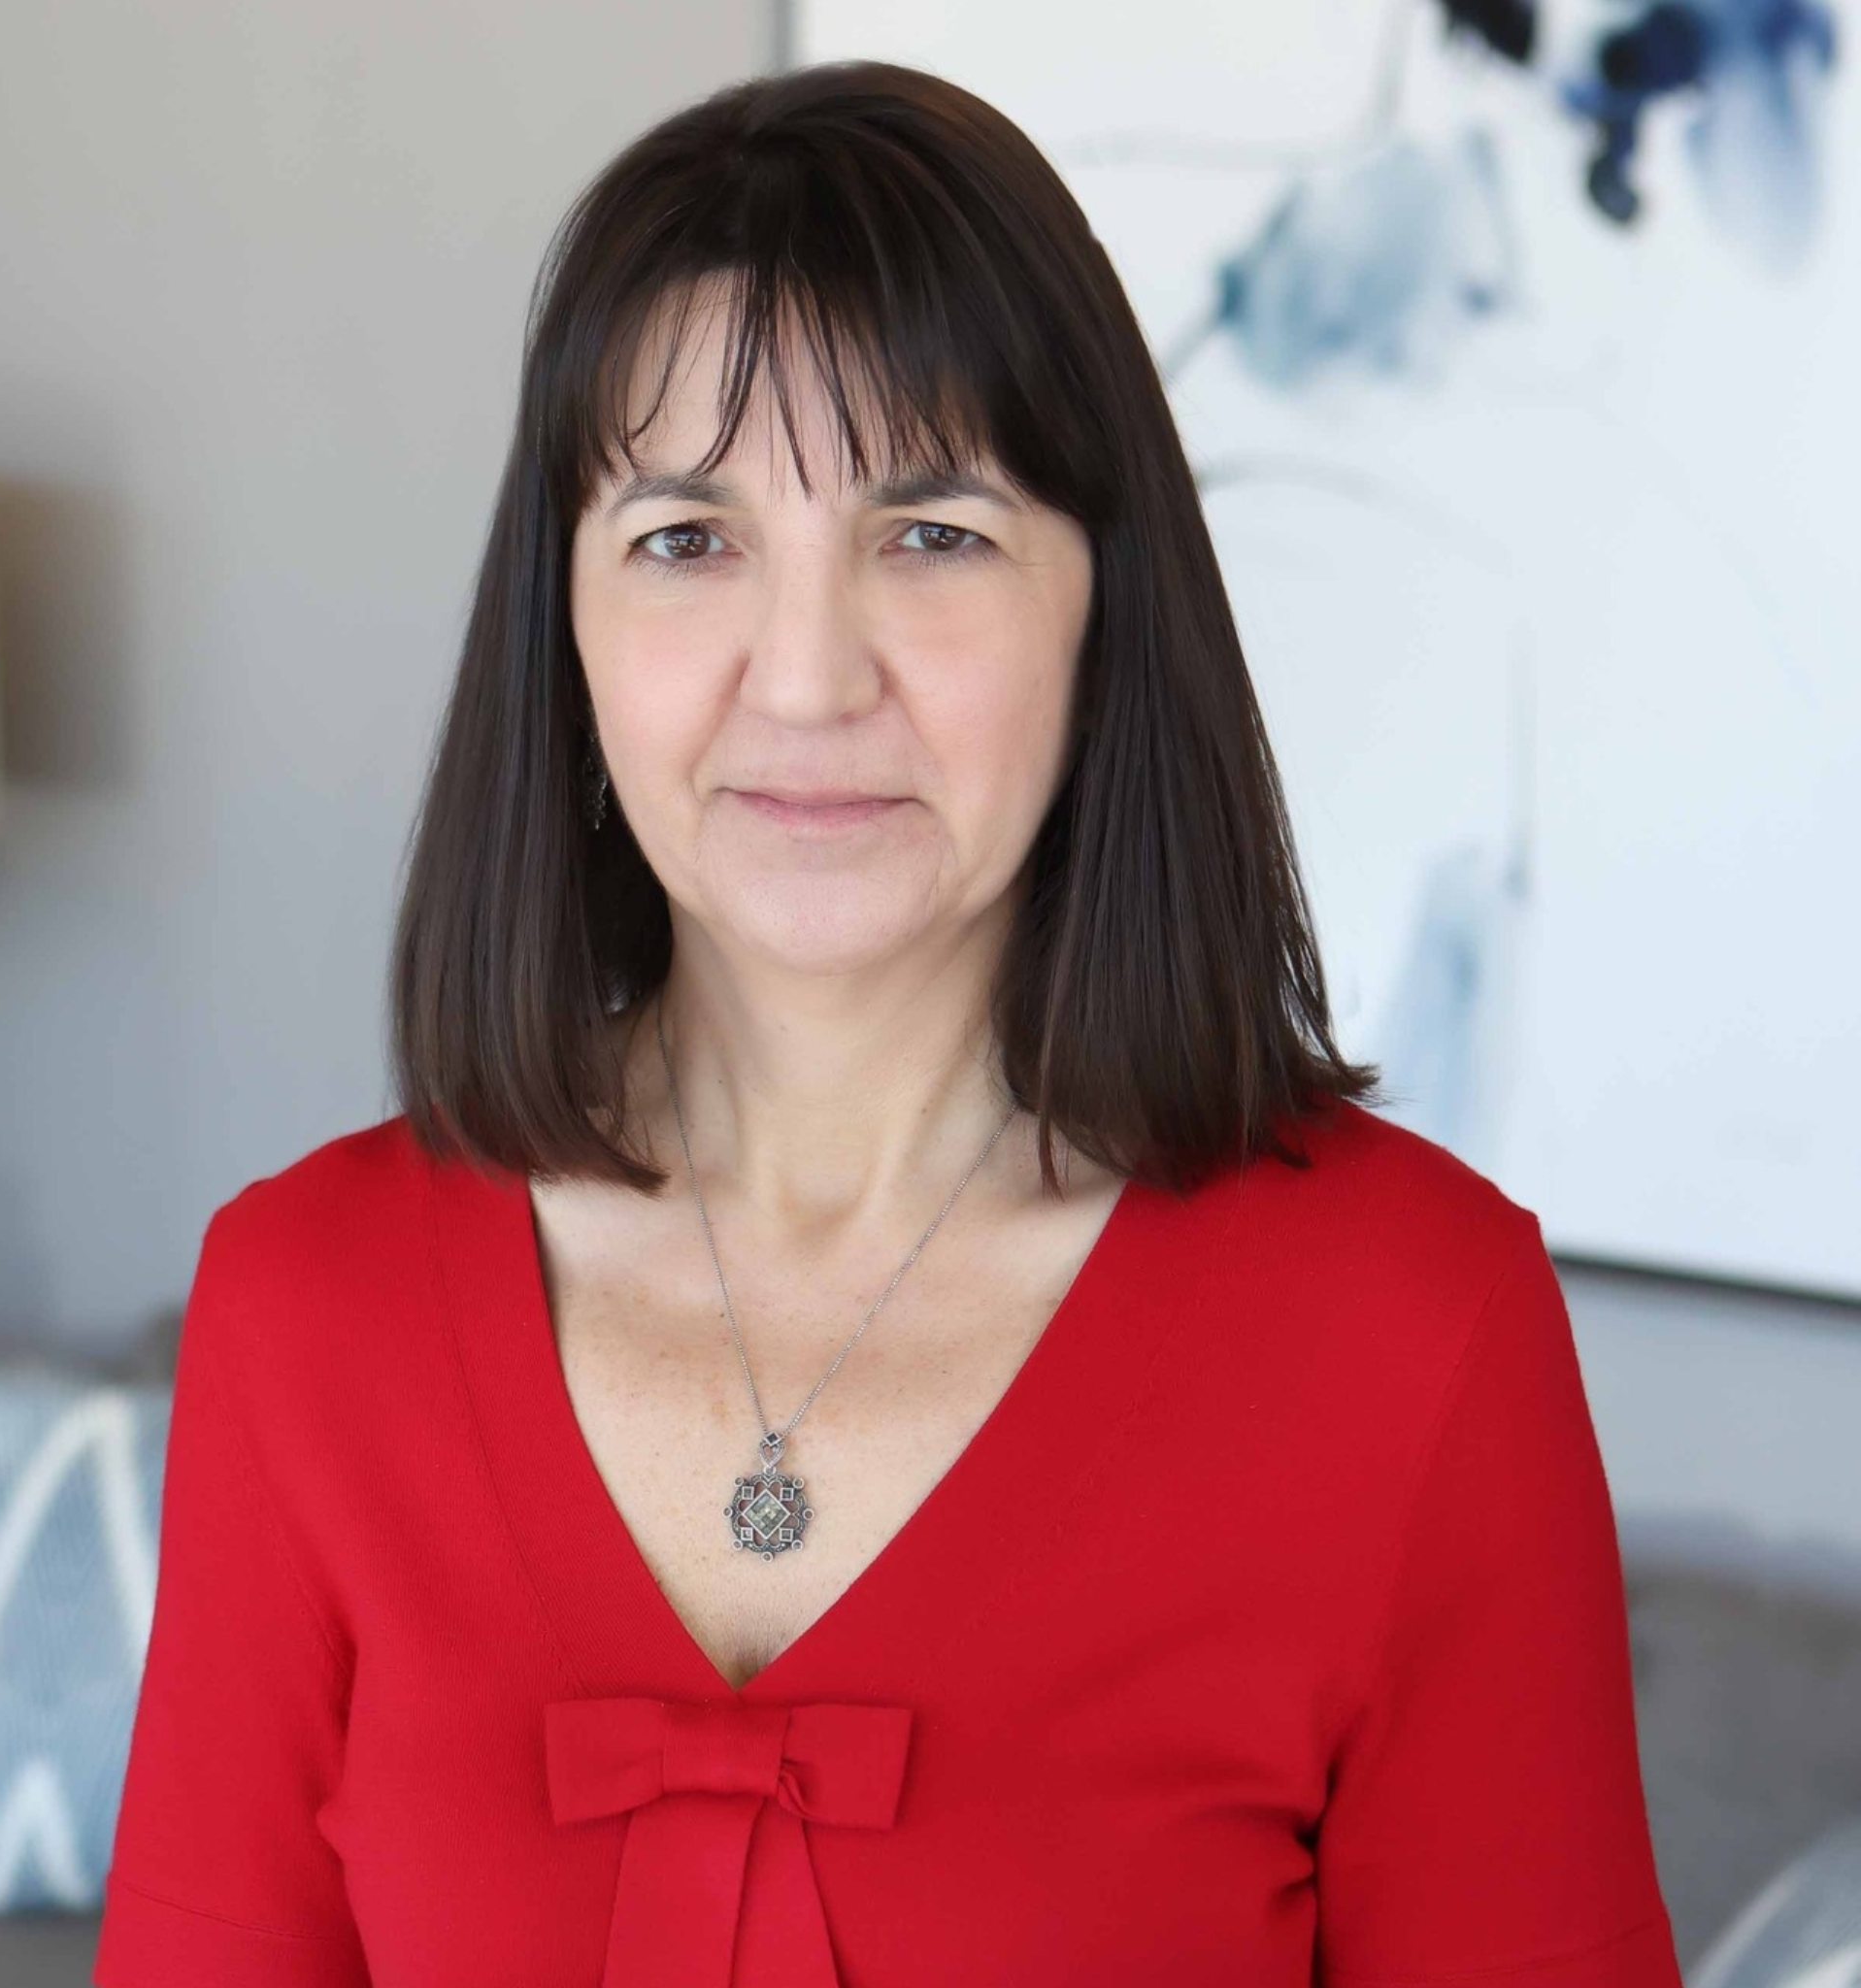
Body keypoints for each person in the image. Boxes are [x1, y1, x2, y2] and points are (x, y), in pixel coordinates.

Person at [91, 57, 1682, 1988]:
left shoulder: (1419, 1332)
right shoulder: (299, 1313)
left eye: (931, 532)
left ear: (1104, 612)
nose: (808, 673)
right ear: (564, 628)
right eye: (688, 537)